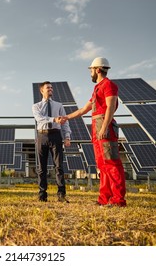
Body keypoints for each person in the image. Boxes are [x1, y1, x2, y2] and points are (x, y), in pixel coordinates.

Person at [60, 57, 126, 207]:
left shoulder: (109, 85)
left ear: (97, 70)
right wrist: (66, 117)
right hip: (96, 125)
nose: (90, 73)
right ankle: (104, 199)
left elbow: (110, 107)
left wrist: (103, 128)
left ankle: (118, 200)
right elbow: (84, 109)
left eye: (91, 70)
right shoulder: (97, 88)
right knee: (102, 165)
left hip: (104, 125)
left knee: (112, 164)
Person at [32, 81, 71, 202]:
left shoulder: (59, 105)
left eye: (51, 88)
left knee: (59, 166)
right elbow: (40, 119)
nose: (50, 89)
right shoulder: (36, 106)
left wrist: (67, 136)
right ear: (41, 90)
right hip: (42, 136)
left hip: (56, 135)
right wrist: (54, 119)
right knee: (41, 168)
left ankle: (61, 194)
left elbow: (65, 121)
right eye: (48, 88)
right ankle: (42, 194)